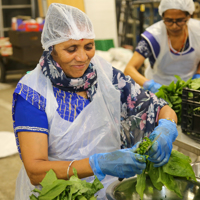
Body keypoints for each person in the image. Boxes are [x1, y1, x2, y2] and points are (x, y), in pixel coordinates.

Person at [12, 3, 178, 200]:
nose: (82, 57)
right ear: (52, 47)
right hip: (60, 194)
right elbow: (36, 171)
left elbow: (159, 108)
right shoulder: (33, 92)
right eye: (71, 49)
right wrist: (97, 164)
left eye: (89, 46)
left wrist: (166, 127)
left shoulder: (107, 76)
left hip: (111, 191)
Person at [124, 0, 200, 93]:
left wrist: (198, 75)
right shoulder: (153, 37)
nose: (174, 26)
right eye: (169, 20)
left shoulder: (197, 31)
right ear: (162, 17)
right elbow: (129, 69)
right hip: (160, 89)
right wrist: (150, 85)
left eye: (180, 20)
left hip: (189, 88)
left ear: (188, 17)